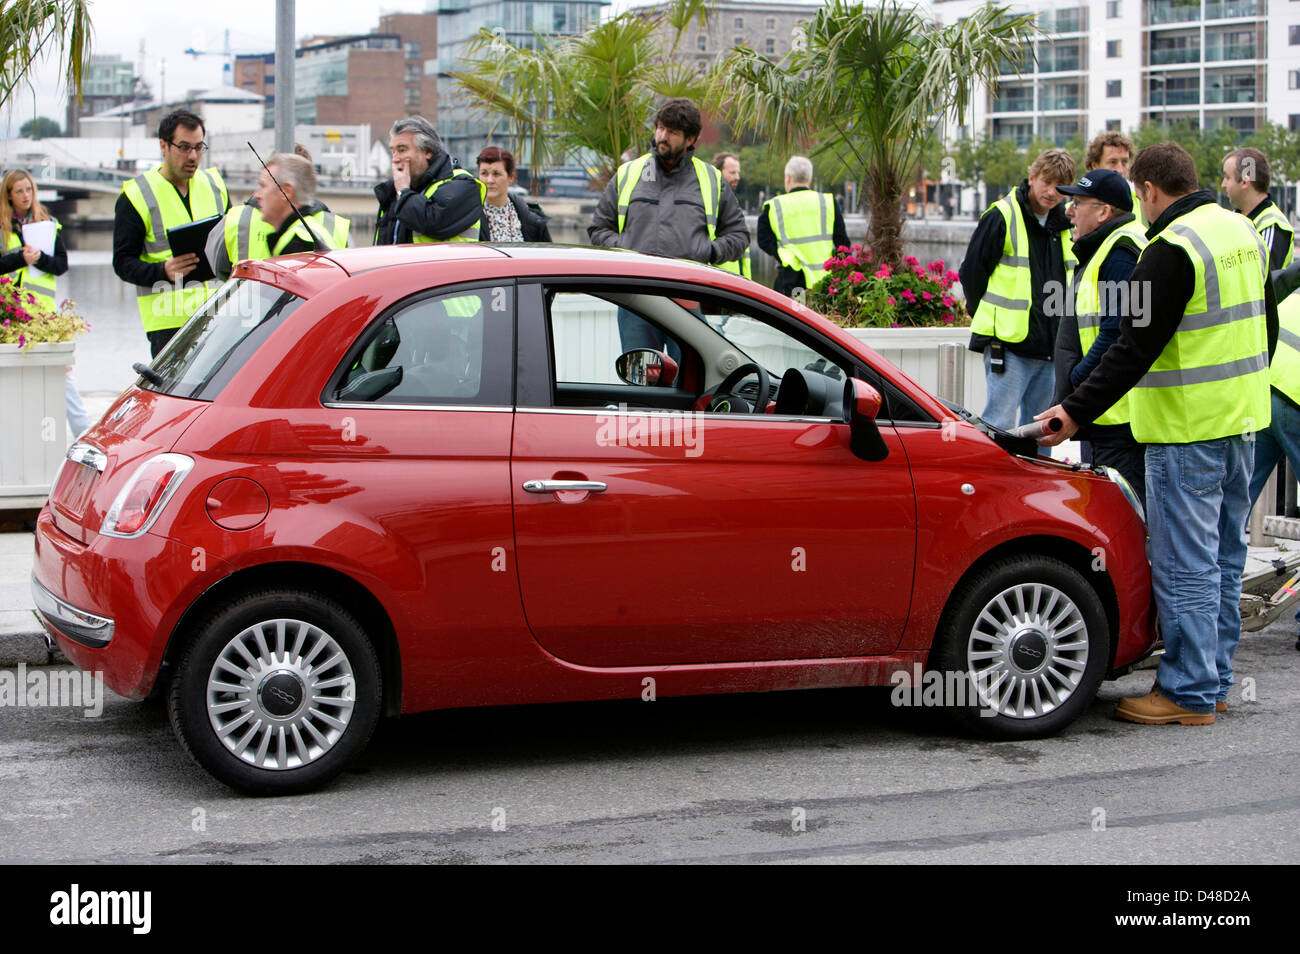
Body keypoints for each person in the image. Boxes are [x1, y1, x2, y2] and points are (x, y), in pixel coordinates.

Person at [1036, 142, 1278, 725]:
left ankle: (1188, 693)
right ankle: (1214, 679)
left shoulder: (1172, 249)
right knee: (1222, 559)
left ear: (1147, 191)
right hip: (1241, 422)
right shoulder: (1240, 232)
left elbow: (1130, 351)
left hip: (1185, 429)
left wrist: (1071, 412)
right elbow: (1264, 323)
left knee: (1183, 564)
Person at [589, 98, 749, 357]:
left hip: (686, 298)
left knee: (689, 383)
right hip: (636, 301)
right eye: (660, 128)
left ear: (690, 139)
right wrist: (626, 248)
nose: (662, 137)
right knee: (640, 383)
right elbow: (598, 229)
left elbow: (739, 236)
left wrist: (706, 252)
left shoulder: (710, 179)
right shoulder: (630, 173)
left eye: (672, 132)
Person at [961, 147, 1075, 431]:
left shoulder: (1064, 225)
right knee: (999, 425)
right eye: (1046, 182)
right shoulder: (1002, 215)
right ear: (1031, 176)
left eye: (1059, 187)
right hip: (1009, 345)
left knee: (1044, 432)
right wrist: (986, 316)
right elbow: (971, 273)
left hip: (1050, 346)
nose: (1051, 192)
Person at [1052, 168, 1146, 505]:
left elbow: (1119, 331)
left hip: (1120, 421)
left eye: (1077, 203)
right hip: (1106, 412)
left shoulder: (1120, 254)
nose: (1069, 211)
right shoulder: (1106, 247)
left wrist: (1078, 378)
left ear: (1104, 212)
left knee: (1126, 521)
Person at [114, 109, 230, 357]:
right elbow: (122, 263)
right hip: (168, 325)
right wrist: (162, 271)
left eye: (199, 147)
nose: (193, 156)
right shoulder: (136, 196)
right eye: (184, 147)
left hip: (220, 317)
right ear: (163, 146)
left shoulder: (215, 185)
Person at [0, 168, 89, 436]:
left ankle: (84, 434)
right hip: (10, 315)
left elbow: (61, 265)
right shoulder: (2, 227)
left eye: (29, 189)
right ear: (9, 195)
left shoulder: (46, 223)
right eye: (19, 191)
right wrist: (20, 258)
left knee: (61, 375)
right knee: (15, 377)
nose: (26, 195)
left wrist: (39, 259)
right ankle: (19, 438)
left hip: (43, 316)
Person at [205, 152, 351, 280]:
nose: (257, 195)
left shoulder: (299, 246)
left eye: (263, 186)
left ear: (286, 191)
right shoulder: (299, 236)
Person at [374, 116, 484, 244]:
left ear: (427, 151)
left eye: (402, 150)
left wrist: (403, 191)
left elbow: (433, 222)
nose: (395, 159)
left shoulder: (463, 185)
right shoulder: (396, 193)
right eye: (393, 151)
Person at [758, 155, 849, 298]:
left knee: (789, 319)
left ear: (788, 178)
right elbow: (843, 243)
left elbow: (763, 240)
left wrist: (783, 256)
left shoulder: (775, 206)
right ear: (810, 178)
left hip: (791, 279)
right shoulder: (828, 202)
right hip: (825, 283)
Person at [1222, 147, 1294, 272]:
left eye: (1227, 177)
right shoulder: (1232, 219)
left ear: (1245, 181)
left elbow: (1263, 280)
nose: (1223, 184)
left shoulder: (1271, 224)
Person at [476, 146, 551, 243]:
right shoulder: (469, 217)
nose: (489, 180)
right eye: (484, 173)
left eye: (496, 174)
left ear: (511, 177)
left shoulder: (533, 221)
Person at [1085, 130, 1144, 229]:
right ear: (1095, 165)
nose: (1120, 170)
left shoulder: (1141, 201)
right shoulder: (1074, 207)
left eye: (1124, 162)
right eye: (1113, 162)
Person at [712, 152, 751, 278]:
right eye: (732, 173)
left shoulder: (733, 202)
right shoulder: (712, 203)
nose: (737, 177)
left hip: (738, 282)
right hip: (719, 280)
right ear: (718, 172)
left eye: (738, 173)